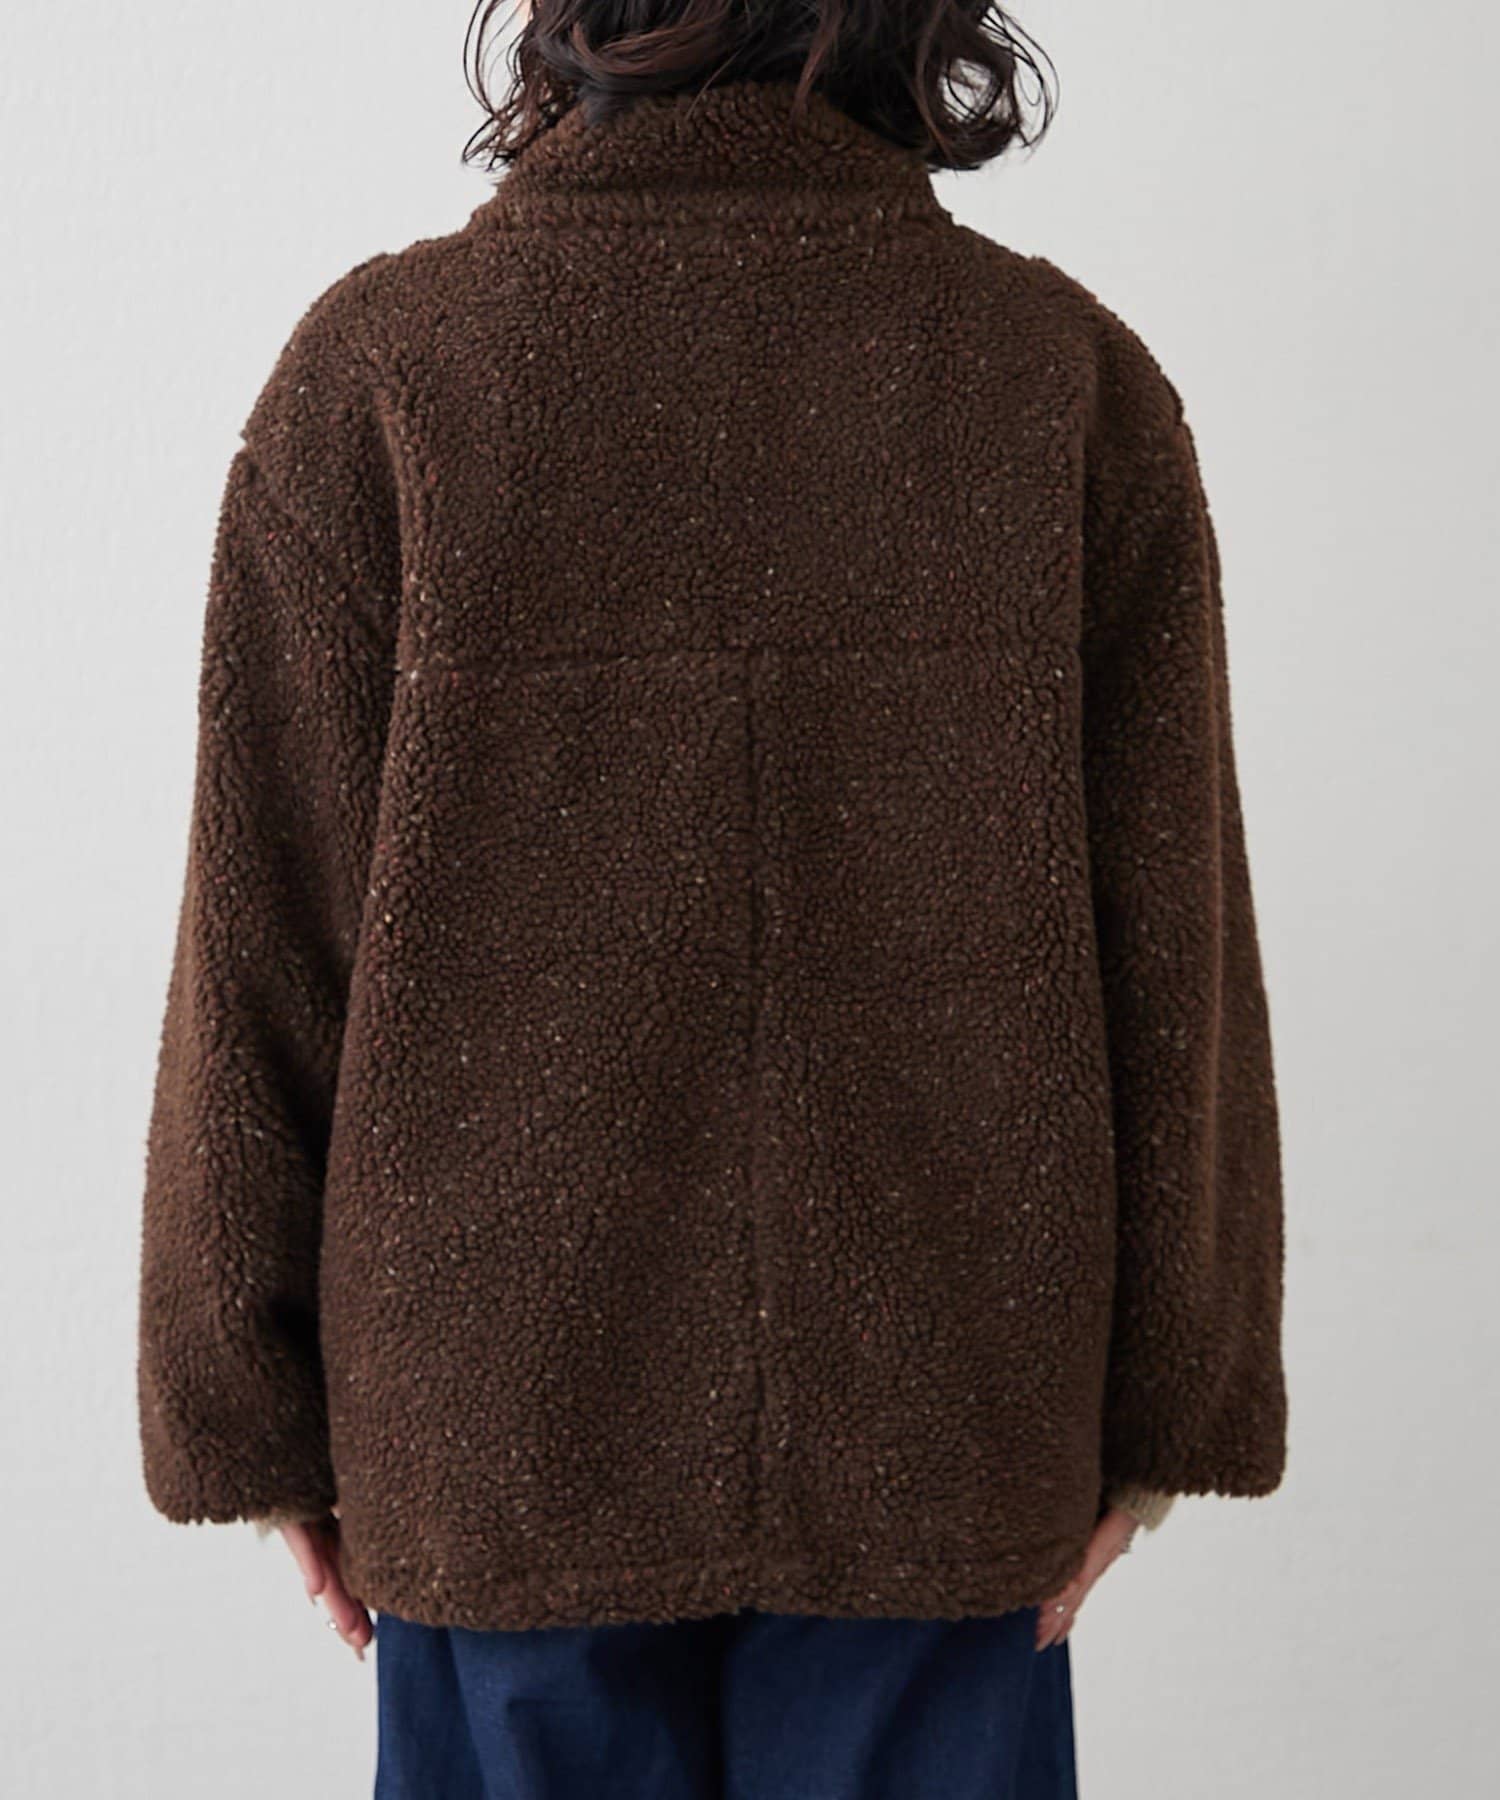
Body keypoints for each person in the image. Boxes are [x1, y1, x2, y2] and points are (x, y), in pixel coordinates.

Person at [135, 3, 1287, 1795]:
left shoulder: (389, 370)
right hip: (948, 1404)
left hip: (494, 1415)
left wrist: (247, 1404)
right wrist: (1173, 1396)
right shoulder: (1055, 376)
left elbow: (260, 940)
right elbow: (1177, 951)